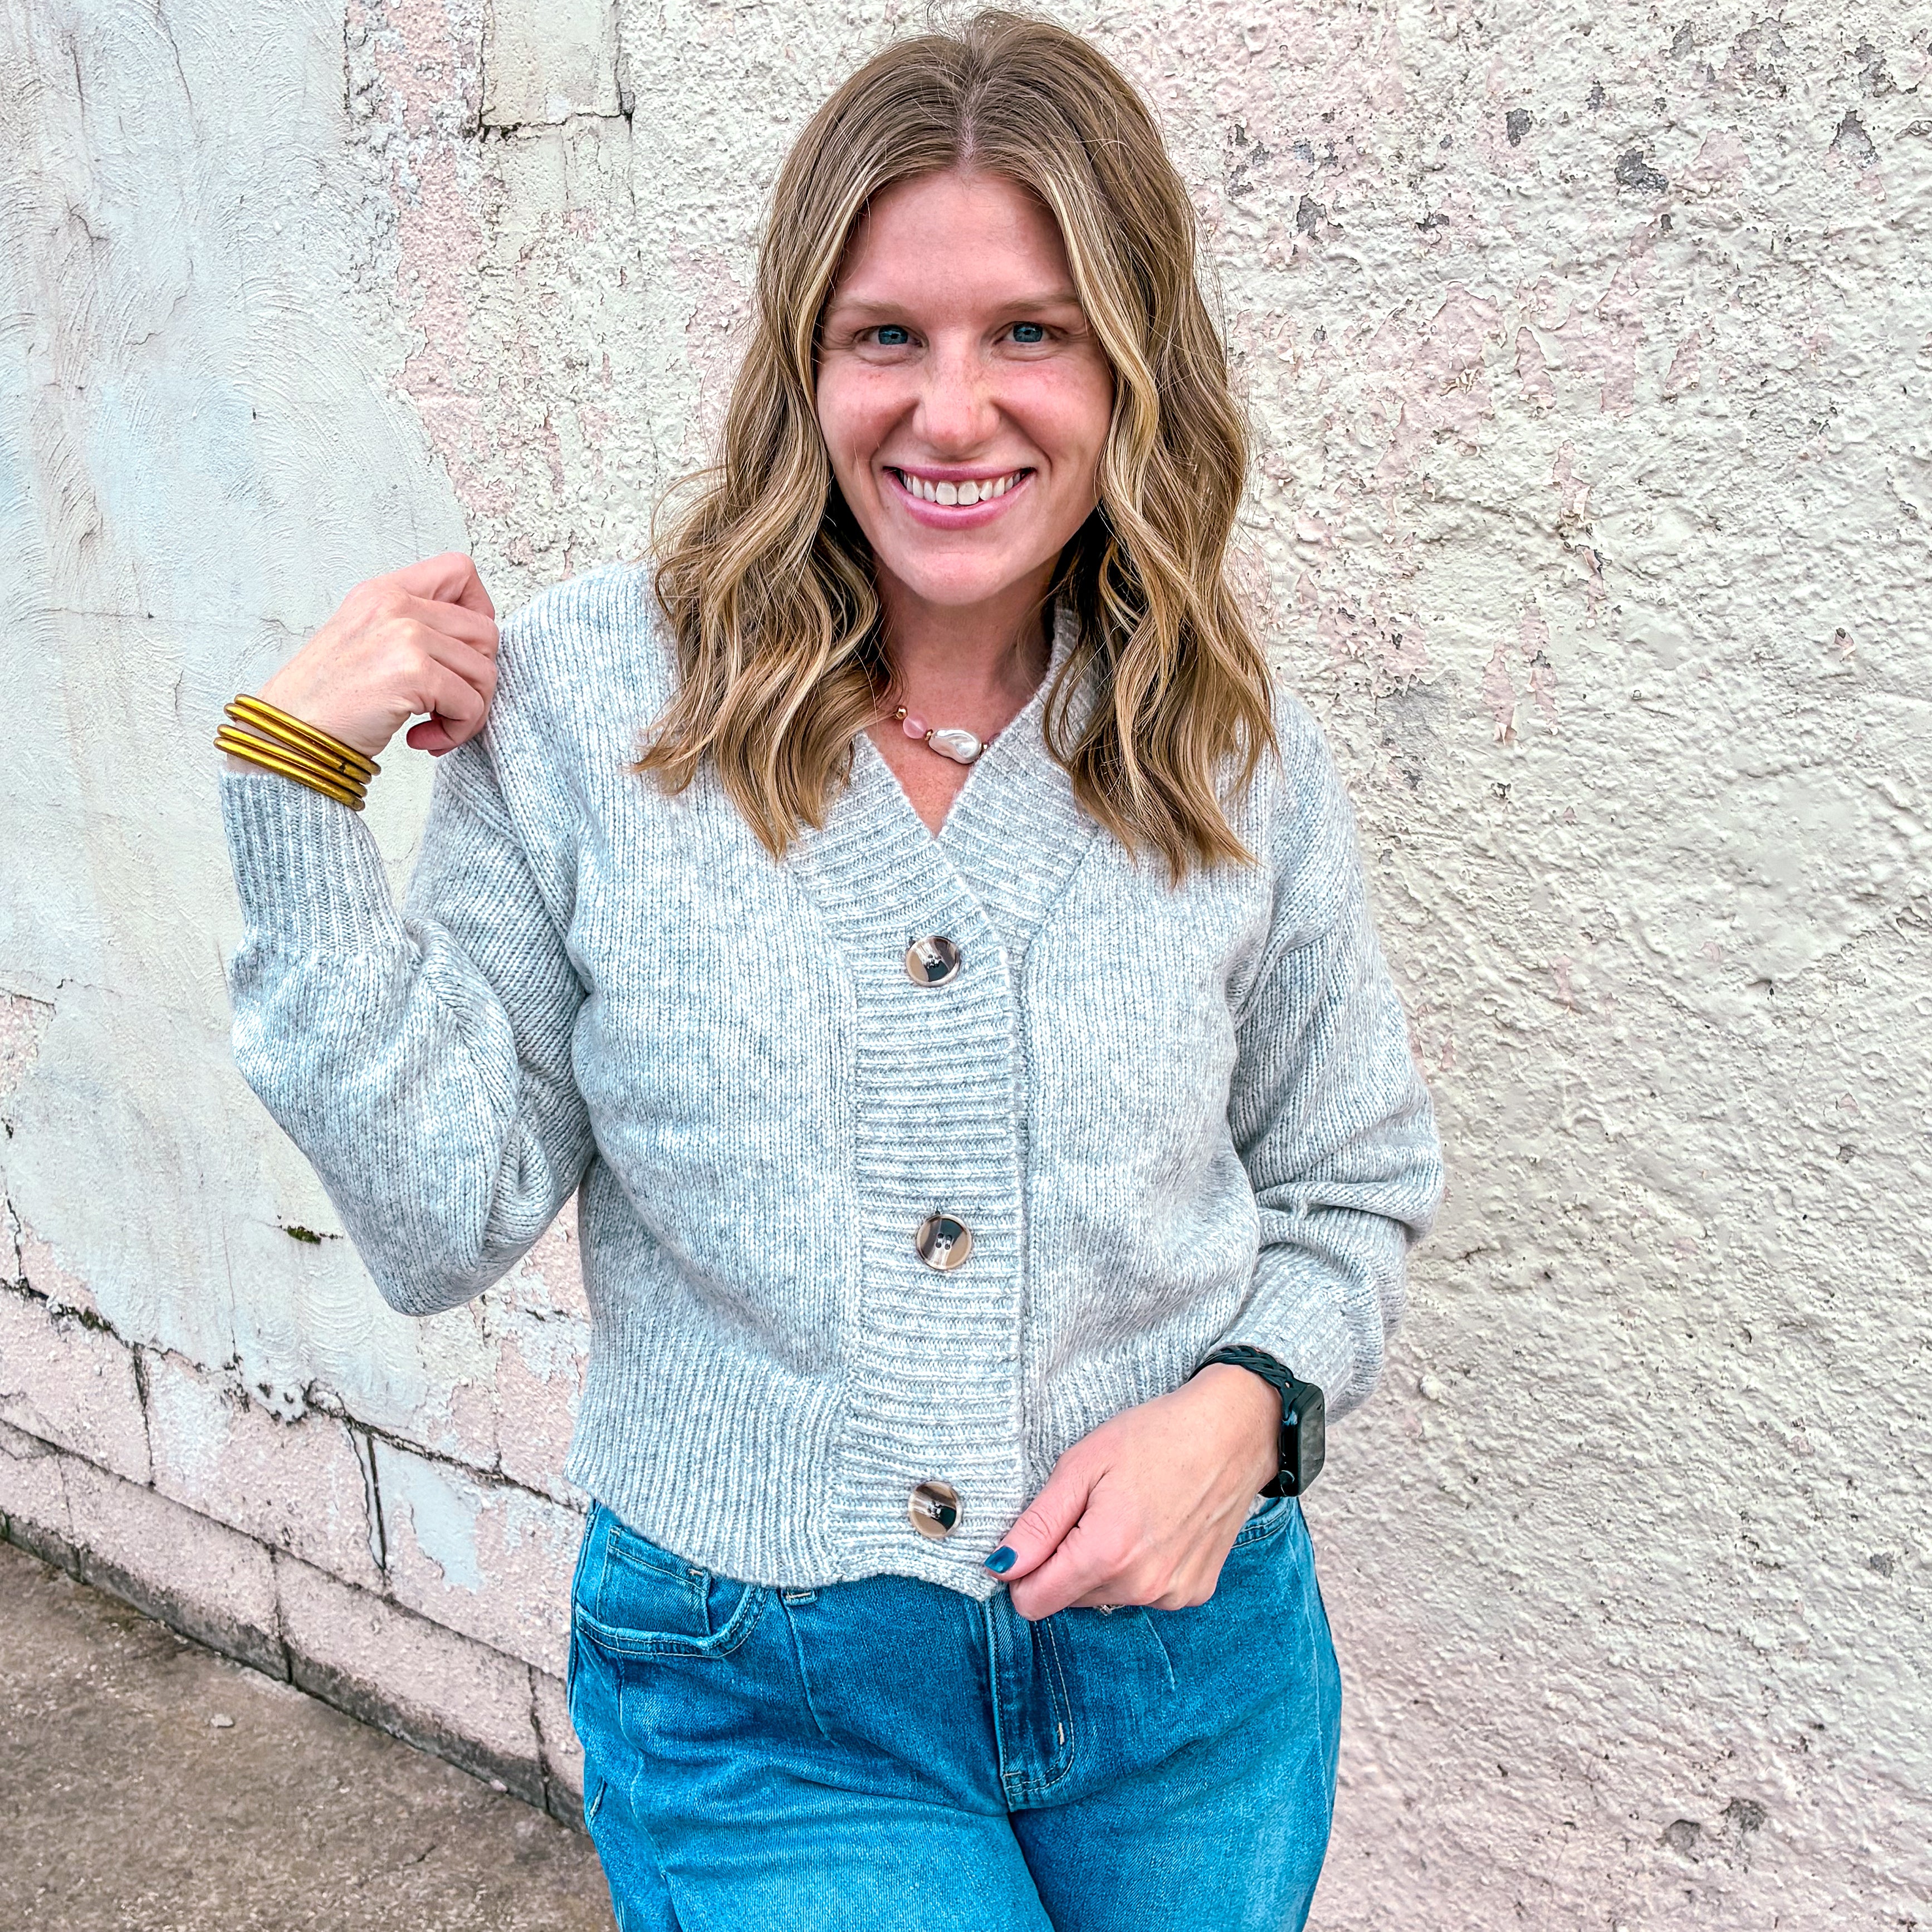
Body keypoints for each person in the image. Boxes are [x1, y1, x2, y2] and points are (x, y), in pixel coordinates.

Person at [216, 12, 1442, 1929]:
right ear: (803, 361)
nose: (953, 413)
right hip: (766, 1698)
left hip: (1193, 1682)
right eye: (887, 336)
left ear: (1134, 362)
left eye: (1029, 331)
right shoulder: (598, 711)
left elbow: (1349, 1182)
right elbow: (445, 1217)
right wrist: (293, 792)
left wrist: (1249, 1413)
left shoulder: (1218, 736)